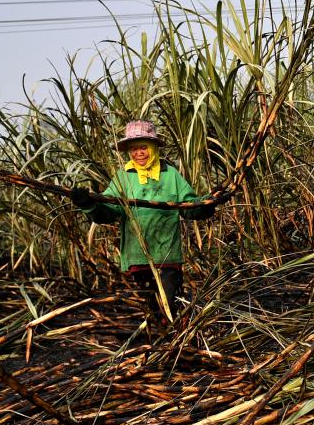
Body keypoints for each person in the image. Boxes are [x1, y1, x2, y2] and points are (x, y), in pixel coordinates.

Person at [70, 120, 217, 322]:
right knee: (153, 307)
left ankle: (173, 340)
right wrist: (88, 204)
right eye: (133, 149)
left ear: (154, 147)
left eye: (143, 147)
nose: (138, 153)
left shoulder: (170, 174)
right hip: (138, 253)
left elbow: (190, 208)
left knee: (169, 301)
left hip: (167, 252)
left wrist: (207, 204)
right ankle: (160, 343)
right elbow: (109, 212)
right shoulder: (123, 177)